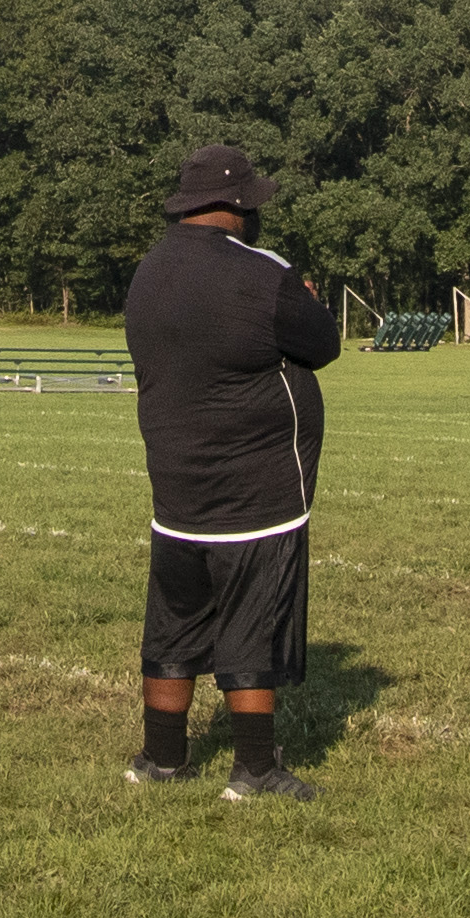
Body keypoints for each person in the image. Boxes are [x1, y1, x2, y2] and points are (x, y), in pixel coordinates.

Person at [125, 143, 343, 796]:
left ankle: (160, 759)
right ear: (239, 205)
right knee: (253, 626)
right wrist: (302, 294)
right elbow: (322, 343)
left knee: (173, 621)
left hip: (177, 489)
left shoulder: (149, 270)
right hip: (255, 488)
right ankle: (255, 769)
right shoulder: (261, 273)